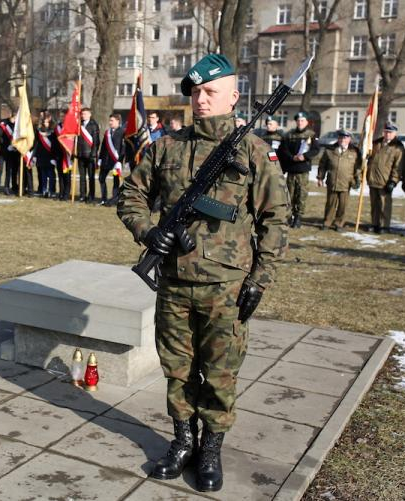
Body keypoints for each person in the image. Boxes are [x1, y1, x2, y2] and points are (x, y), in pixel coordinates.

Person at [117, 53, 289, 493]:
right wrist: (148, 232)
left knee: (220, 372)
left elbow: (276, 219)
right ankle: (181, 442)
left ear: (234, 96)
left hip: (226, 288)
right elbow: (131, 194)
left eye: (211, 91)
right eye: (195, 92)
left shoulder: (252, 151)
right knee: (177, 369)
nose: (200, 100)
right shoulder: (166, 147)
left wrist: (259, 279)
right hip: (174, 284)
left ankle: (210, 449)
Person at [277, 111, 320, 228]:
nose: (300, 123)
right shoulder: (289, 135)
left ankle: (298, 217)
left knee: (301, 195)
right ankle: (288, 216)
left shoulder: (312, 134)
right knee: (289, 194)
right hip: (291, 168)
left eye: (302, 121)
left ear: (306, 122)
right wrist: (292, 157)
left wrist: (304, 156)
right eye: (298, 121)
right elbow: (283, 149)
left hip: (303, 170)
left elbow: (316, 150)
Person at [317, 130, 361, 231]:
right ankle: (327, 222)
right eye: (341, 138)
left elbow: (358, 168)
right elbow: (322, 165)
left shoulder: (354, 152)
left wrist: (358, 179)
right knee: (330, 204)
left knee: (343, 205)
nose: (342, 140)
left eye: (345, 138)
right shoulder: (330, 150)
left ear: (349, 139)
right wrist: (320, 177)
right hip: (332, 181)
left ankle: (339, 223)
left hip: (346, 182)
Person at [366, 122, 405, 234]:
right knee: (374, 205)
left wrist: (393, 181)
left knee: (384, 205)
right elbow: (368, 157)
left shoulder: (397, 147)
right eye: (386, 132)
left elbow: (398, 166)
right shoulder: (375, 143)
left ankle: (384, 225)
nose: (387, 134)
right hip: (373, 179)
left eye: (390, 132)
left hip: (385, 181)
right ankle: (374, 223)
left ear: (395, 133)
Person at [97, 113, 125, 206]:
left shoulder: (122, 132)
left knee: (116, 181)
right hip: (106, 160)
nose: (110, 122)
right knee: (101, 178)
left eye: (112, 120)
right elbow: (103, 146)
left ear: (118, 121)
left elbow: (123, 148)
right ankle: (103, 198)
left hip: (116, 161)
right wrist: (100, 158)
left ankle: (114, 199)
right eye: (109, 120)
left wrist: (120, 161)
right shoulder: (107, 132)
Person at [76, 107, 99, 202]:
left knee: (91, 177)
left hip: (90, 155)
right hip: (80, 154)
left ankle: (91, 196)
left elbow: (96, 141)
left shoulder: (94, 125)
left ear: (90, 114)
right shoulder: (78, 125)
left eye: (85, 114)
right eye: (82, 114)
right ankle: (82, 195)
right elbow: (76, 140)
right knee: (82, 177)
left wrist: (93, 154)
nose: (83, 116)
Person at [32, 111, 57, 197]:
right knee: (43, 175)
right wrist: (34, 156)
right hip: (41, 156)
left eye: (46, 121)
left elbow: (55, 144)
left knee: (51, 174)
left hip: (50, 156)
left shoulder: (54, 131)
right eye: (44, 121)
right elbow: (36, 144)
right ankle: (44, 190)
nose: (45, 123)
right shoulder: (39, 131)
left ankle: (51, 190)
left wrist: (54, 157)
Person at [0, 110, 19, 196]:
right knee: (0, 169)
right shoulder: (3, 123)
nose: (14, 120)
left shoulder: (17, 125)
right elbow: (0, 136)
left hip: (12, 152)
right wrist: (5, 145)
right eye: (13, 118)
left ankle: (7, 187)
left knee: (9, 171)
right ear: (10, 116)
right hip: (3, 151)